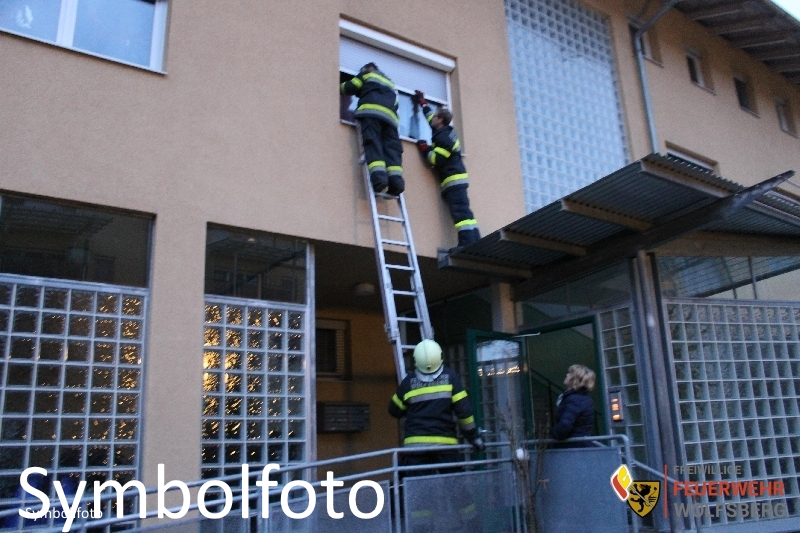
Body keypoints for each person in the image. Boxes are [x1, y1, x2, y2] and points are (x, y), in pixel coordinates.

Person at [388, 339, 485, 473]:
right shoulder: (451, 378)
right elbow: (465, 413)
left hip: (415, 449)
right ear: (440, 356)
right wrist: (473, 438)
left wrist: (412, 407)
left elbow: (394, 410)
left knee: (418, 490)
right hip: (445, 447)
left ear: (416, 360)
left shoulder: (408, 382)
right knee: (452, 488)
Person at [413, 91, 480, 253]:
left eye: (436, 117)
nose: (433, 118)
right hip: (458, 179)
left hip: (452, 180)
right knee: (466, 212)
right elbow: (430, 119)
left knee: (460, 214)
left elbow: (436, 160)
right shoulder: (444, 132)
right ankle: (476, 240)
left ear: (440, 120)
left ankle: (466, 243)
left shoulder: (442, 138)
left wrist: (425, 149)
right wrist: (423, 103)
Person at [340, 63, 405, 196]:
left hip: (371, 114)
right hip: (391, 120)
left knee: (373, 144)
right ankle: (396, 183)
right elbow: (396, 105)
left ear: (366, 69)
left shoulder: (366, 74)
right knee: (392, 150)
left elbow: (350, 87)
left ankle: (379, 179)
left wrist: (338, 84)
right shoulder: (390, 84)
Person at [551, 364, 596, 442]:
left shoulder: (574, 400)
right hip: (579, 445)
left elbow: (564, 426)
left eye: (570, 373)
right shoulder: (583, 398)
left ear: (575, 379)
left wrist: (551, 436)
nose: (567, 375)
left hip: (572, 447)